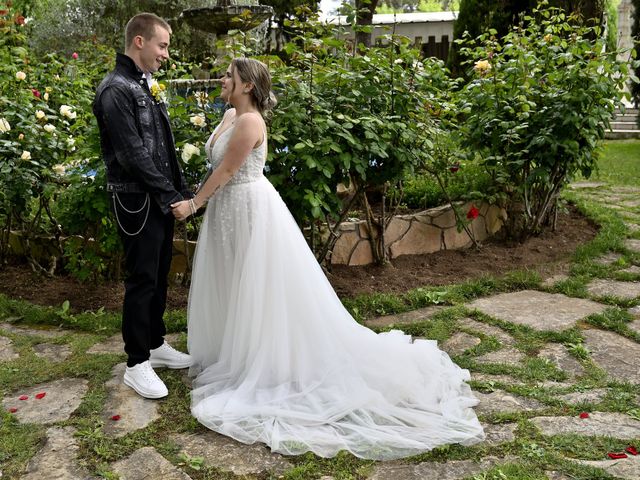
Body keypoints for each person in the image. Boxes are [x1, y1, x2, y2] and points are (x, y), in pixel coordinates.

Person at [171, 58, 484, 460]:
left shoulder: (250, 123)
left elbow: (229, 169)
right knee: (233, 281)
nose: (221, 79)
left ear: (247, 85)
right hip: (227, 214)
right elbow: (216, 163)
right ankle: (233, 350)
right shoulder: (230, 113)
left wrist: (195, 204)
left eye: (229, 76)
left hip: (249, 209)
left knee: (258, 286)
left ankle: (264, 359)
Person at [93, 13, 193, 400]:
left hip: (159, 198)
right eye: (162, 45)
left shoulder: (142, 84)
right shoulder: (115, 89)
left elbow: (163, 146)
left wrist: (179, 191)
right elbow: (132, 154)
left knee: (160, 273)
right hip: (136, 201)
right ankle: (137, 363)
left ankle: (154, 344)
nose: (165, 54)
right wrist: (170, 195)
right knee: (141, 280)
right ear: (139, 42)